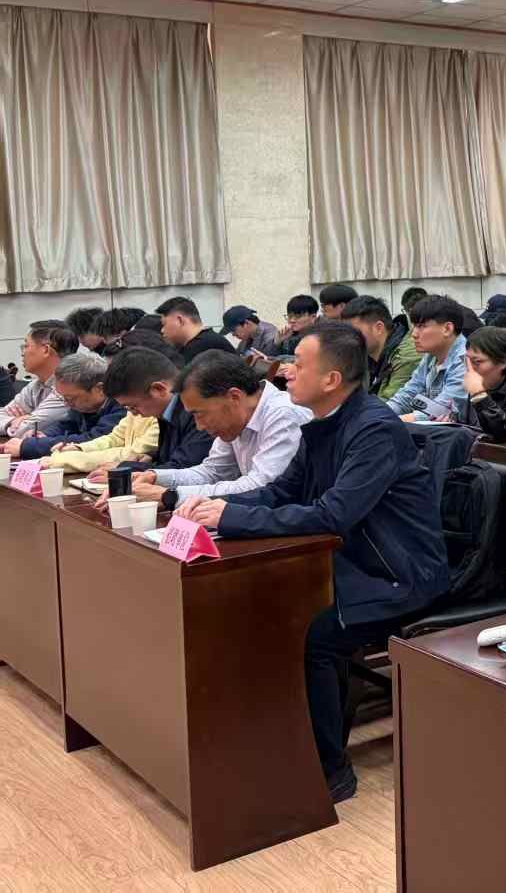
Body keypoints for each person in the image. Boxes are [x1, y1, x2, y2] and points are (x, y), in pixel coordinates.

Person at [179, 323, 448, 803]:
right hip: (348, 562)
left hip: (397, 573)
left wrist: (234, 517)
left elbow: (333, 514)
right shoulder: (320, 424)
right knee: (262, 607)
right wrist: (215, 508)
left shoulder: (374, 428)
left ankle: (328, 770)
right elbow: (283, 491)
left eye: (299, 365)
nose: (286, 372)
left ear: (331, 379)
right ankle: (275, 742)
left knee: (311, 634)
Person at [101, 351, 312, 512]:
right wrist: (155, 477)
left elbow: (261, 487)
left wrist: (170, 496)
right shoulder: (235, 416)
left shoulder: (283, 415)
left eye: (199, 414)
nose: (199, 426)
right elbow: (212, 472)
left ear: (234, 397)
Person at [84, 346, 213, 475]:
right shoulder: (166, 411)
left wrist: (126, 469)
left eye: (133, 407)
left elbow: (184, 468)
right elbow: (171, 459)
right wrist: (151, 459)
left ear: (158, 389)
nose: (133, 414)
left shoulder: (197, 412)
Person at [24, 353, 138, 465]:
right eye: (63, 398)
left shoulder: (123, 405)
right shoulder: (82, 403)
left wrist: (29, 447)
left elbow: (93, 439)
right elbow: (66, 425)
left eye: (70, 398)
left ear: (100, 389)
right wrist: (45, 435)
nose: (66, 404)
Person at [386, 294, 468, 421]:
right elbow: (407, 394)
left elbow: (442, 411)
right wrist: (379, 414)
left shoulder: (466, 359)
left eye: (421, 326)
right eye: (414, 326)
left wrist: (387, 421)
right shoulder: (431, 356)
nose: (414, 334)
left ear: (447, 329)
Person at [1, 320, 79, 438]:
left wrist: (25, 419)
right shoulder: (35, 385)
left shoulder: (69, 386)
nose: (23, 353)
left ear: (46, 350)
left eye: (26, 346)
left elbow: (23, 430)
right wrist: (12, 421)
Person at [342, 295, 420, 402]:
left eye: (354, 332)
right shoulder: (366, 354)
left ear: (378, 328)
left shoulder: (405, 357)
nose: (347, 339)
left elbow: (390, 405)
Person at [155, 297, 236, 361]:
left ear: (180, 320)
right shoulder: (207, 340)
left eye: (164, 324)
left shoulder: (202, 347)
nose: (162, 330)